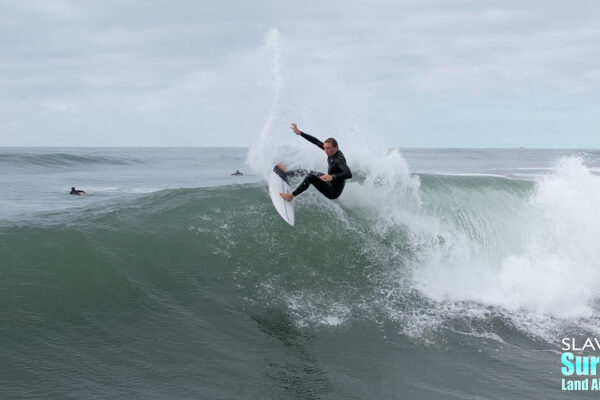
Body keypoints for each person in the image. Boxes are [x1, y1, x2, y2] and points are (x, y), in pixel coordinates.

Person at [279, 122, 352, 201]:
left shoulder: (339, 159)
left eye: (328, 148)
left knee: (310, 178)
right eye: (324, 148)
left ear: (336, 148)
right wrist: (300, 133)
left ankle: (291, 196)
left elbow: (348, 174)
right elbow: (316, 141)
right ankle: (288, 173)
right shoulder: (330, 151)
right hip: (329, 181)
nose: (325, 150)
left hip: (333, 191)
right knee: (307, 172)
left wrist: (332, 177)